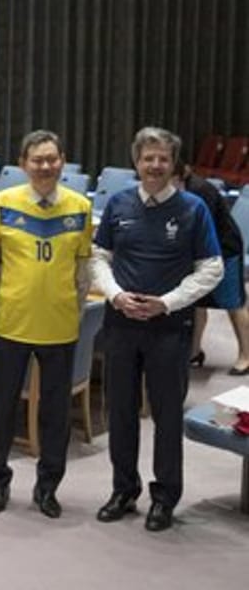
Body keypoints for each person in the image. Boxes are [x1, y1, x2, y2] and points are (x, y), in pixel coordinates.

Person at [91, 128, 223, 531]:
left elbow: (212, 267)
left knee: (166, 417)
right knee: (122, 411)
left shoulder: (193, 209)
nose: (155, 165)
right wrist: (115, 296)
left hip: (170, 330)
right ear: (136, 162)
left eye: (163, 159)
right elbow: (98, 258)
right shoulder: (118, 204)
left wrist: (167, 302)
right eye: (148, 158)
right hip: (121, 325)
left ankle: (164, 497)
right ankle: (123, 489)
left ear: (173, 164)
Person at [0, 130, 93, 518]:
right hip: (11, 323)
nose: (45, 166)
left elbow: (83, 271)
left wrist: (73, 309)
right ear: (23, 164)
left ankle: (48, 487)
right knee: (2, 410)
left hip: (60, 328)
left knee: (55, 415)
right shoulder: (1, 205)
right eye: (37, 160)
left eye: (52, 159)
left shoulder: (80, 207)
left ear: (62, 161)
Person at [177, 161, 249, 374]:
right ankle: (194, 351)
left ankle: (246, 355)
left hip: (224, 250)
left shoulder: (200, 190)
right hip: (200, 253)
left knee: (233, 304)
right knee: (197, 302)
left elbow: (200, 228)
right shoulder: (177, 189)